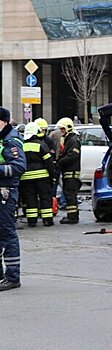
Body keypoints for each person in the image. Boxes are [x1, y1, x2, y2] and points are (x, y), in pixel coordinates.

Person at [0, 106, 26, 291]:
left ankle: (12, 277)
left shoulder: (12, 140)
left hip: (5, 192)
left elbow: (18, 167)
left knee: (7, 235)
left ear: (3, 122)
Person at [20, 122, 56, 227]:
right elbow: (49, 162)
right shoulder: (42, 145)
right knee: (45, 197)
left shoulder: (21, 146)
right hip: (42, 178)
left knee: (30, 199)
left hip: (26, 178)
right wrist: (52, 175)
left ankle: (32, 221)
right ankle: (47, 220)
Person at [56, 117, 81, 224]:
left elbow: (72, 156)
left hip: (71, 172)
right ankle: (72, 215)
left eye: (62, 129)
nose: (61, 131)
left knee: (70, 195)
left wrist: (59, 162)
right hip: (69, 172)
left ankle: (72, 217)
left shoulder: (73, 140)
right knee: (69, 194)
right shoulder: (69, 139)